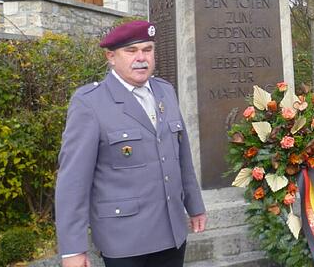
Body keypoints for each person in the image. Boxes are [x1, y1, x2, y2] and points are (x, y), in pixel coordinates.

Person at [55, 20, 207, 267]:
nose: (141, 58)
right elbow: (73, 182)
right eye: (131, 51)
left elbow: (182, 157)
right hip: (124, 239)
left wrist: (195, 206)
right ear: (111, 57)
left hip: (171, 232)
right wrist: (72, 249)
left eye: (147, 50)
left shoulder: (165, 91)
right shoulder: (90, 103)